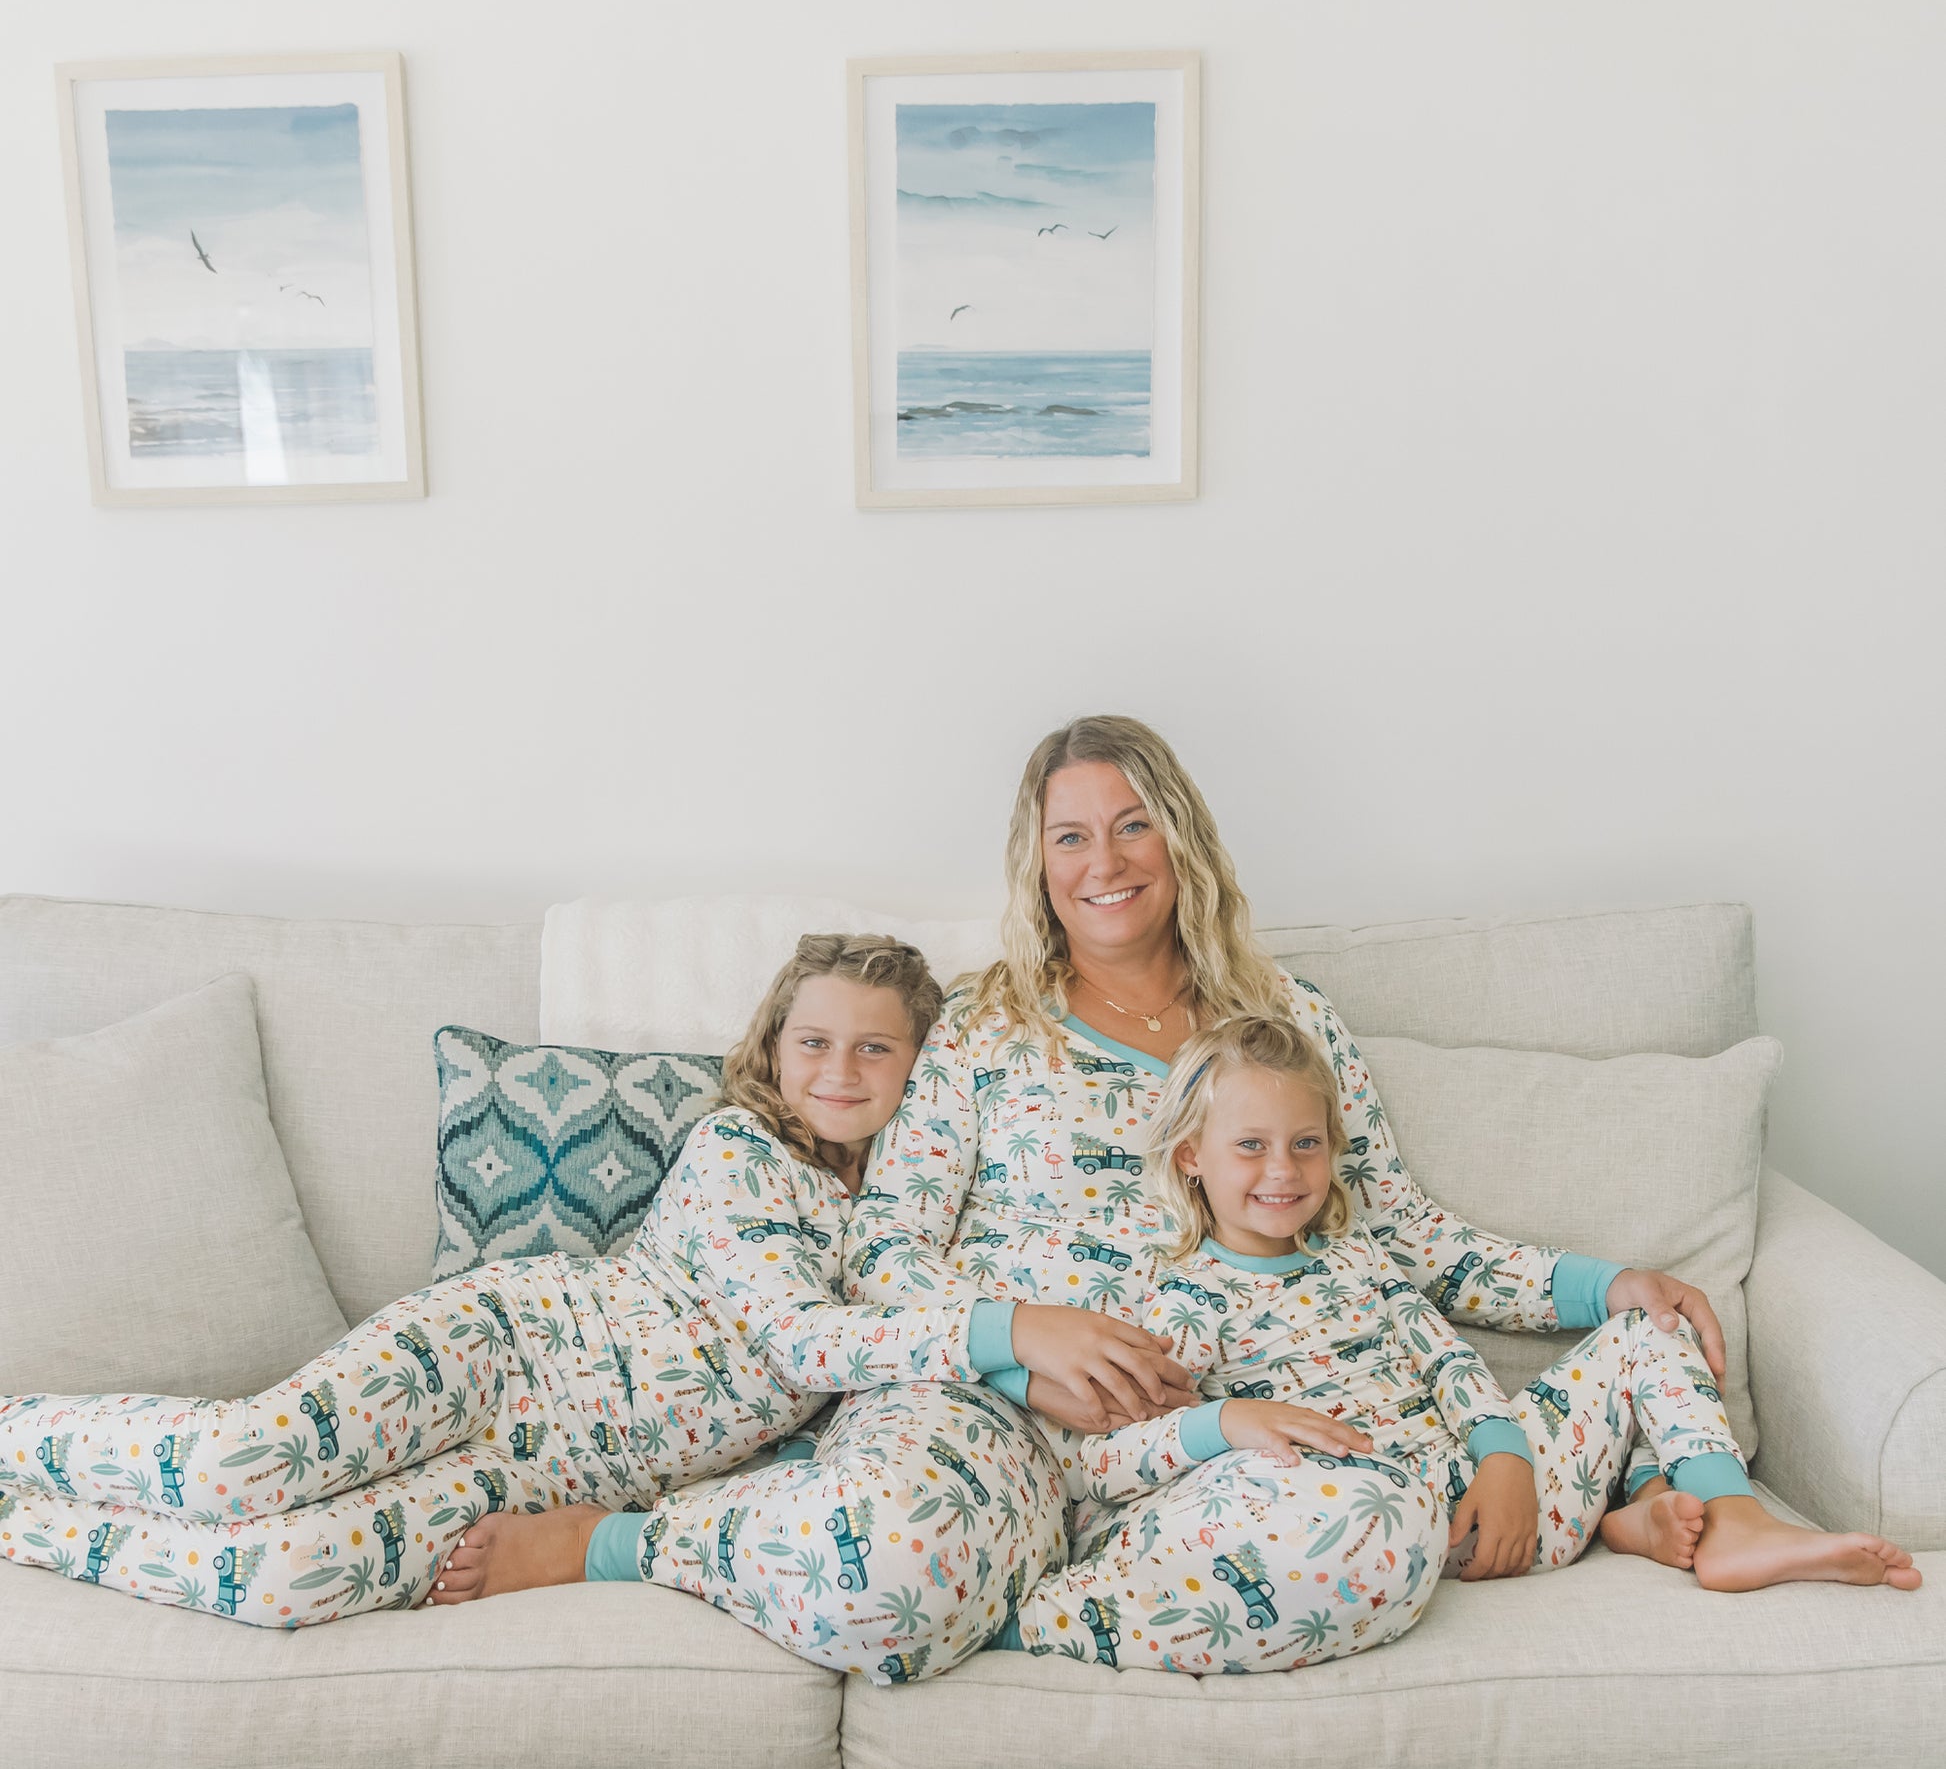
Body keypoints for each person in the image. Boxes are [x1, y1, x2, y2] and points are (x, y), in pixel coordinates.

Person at [747, 711, 1833, 1674]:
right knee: (874, 1581)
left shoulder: (1286, 1021)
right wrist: (1015, 1342)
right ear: (1035, 863)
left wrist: (1603, 1285)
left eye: (1132, 824)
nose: (1103, 860)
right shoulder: (986, 1023)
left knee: (1367, 1526)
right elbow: (881, 1250)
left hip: (1258, 1436)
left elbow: (1397, 1234)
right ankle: (696, 1539)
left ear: (1180, 837)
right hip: (1009, 1412)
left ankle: (1093, 1590)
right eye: (1068, 835)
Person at [0, 934, 1180, 1656]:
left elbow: (855, 1393)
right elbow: (796, 1335)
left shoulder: (906, 1229)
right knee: (240, 1466)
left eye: (875, 1050)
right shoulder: (740, 1151)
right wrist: (1007, 1337)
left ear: (924, 1072)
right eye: (812, 1040)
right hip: (506, 1350)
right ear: (771, 1047)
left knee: (287, 1579)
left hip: (542, 1474)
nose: (836, 1070)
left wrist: (1016, 1372)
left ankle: (23, 1523)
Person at [1066, 1013, 1918, 1660]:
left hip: (1502, 1498)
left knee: (1646, 1328)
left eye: (1306, 1144)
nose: (1283, 1171)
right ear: (1190, 1156)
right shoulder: (1174, 1300)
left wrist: (1507, 1453)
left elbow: (1445, 1357)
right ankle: (1627, 1513)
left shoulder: (1352, 1254)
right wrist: (1226, 1426)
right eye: (1249, 1146)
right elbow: (1106, 1458)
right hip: (1393, 1530)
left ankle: (1708, 1517)